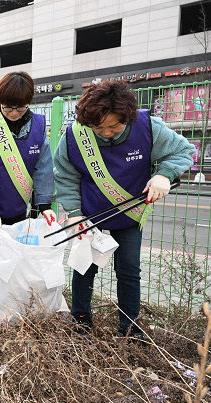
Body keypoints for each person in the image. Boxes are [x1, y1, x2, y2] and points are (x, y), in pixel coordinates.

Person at [53, 80, 195, 337]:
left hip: (129, 215)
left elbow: (183, 151)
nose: (106, 132)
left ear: (127, 117)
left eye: (114, 127)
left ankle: (130, 329)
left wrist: (164, 174)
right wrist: (75, 213)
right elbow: (65, 175)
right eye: (98, 128)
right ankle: (80, 321)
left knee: (129, 270)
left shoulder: (148, 127)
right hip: (89, 214)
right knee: (84, 267)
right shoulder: (75, 135)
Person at [0, 71, 56, 331]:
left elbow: (43, 167)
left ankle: (10, 308)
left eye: (19, 107)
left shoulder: (38, 125)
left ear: (29, 102)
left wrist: (44, 205)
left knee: (16, 260)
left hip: (18, 207)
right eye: (7, 107)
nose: (12, 113)